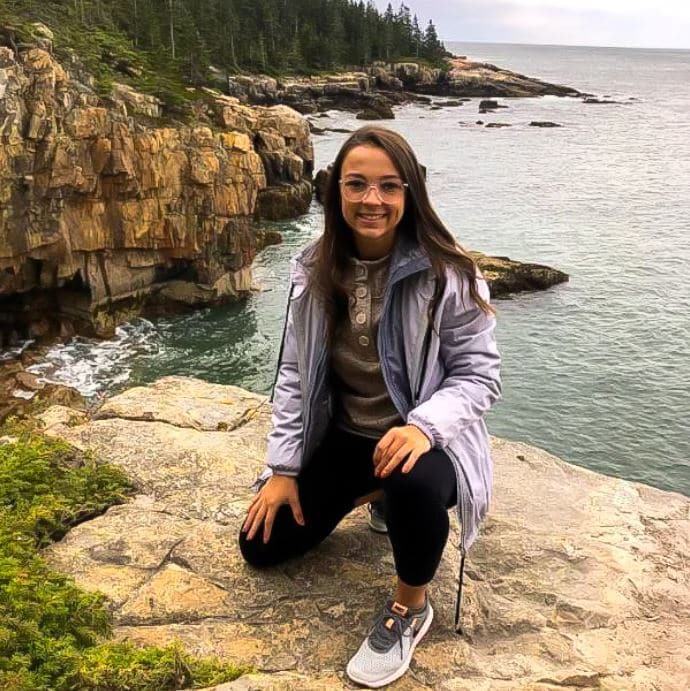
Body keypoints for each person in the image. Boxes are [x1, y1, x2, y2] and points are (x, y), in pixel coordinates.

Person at [239, 126, 501, 688]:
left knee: (409, 481)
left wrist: (424, 428)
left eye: (389, 186)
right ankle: (374, 491)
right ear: (336, 193)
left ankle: (410, 607)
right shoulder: (313, 269)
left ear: (410, 195)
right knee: (262, 546)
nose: (372, 200)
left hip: (426, 442)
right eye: (356, 185)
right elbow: (292, 372)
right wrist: (282, 469)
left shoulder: (449, 273)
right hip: (349, 434)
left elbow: (479, 377)